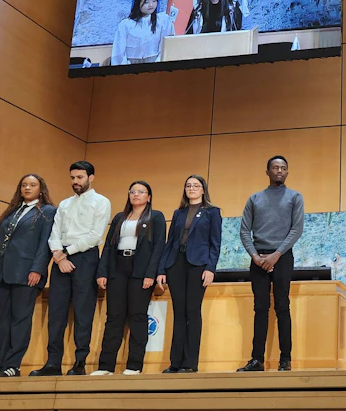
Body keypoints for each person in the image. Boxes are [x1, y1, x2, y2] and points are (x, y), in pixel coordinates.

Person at [31, 161, 112, 377]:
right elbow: (54, 232)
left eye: (80, 177)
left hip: (85, 258)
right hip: (61, 258)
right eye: (73, 178)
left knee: (83, 312)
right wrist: (58, 256)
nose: (75, 182)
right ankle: (52, 363)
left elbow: (96, 235)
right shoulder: (65, 204)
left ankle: (79, 362)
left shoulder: (101, 202)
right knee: (56, 312)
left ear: (91, 178)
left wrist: (67, 253)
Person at [0, 174, 56, 378]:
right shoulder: (11, 211)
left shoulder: (47, 212)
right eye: (24, 185)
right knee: (3, 321)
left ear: (41, 189)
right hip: (0, 272)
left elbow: (45, 243)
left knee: (20, 320)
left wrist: (38, 269)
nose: (27, 188)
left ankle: (13, 365)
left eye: (32, 185)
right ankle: (0, 364)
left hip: (26, 272)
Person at [237, 156, 304, 372]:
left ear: (287, 172)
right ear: (267, 171)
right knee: (260, 308)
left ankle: (285, 359)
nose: (279, 171)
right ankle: (257, 360)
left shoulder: (295, 197)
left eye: (283, 168)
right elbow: (244, 230)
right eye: (275, 168)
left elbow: (296, 230)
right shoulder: (255, 198)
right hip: (258, 258)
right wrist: (256, 256)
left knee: (282, 307)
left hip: (282, 257)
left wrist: (277, 254)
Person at [92, 181, 166, 376]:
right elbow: (108, 246)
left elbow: (158, 247)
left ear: (148, 197)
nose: (136, 195)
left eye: (141, 192)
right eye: (133, 191)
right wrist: (102, 272)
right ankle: (105, 366)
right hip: (118, 267)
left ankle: (134, 365)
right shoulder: (120, 217)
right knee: (114, 317)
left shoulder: (156, 217)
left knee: (137, 316)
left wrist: (150, 273)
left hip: (140, 270)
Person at [157, 175, 221, 374]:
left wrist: (210, 268)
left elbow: (215, 243)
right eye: (188, 185)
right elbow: (169, 243)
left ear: (203, 190)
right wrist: (161, 270)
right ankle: (175, 362)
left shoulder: (212, 212)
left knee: (192, 312)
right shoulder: (178, 213)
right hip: (176, 264)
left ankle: (189, 363)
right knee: (179, 313)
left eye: (196, 186)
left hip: (198, 265)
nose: (192, 188)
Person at [111, 0, 175, 65]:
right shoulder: (126, 25)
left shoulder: (163, 21)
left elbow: (167, 46)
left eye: (154, 1)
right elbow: (118, 52)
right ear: (138, 3)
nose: (151, 5)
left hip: (156, 63)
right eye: (146, 2)